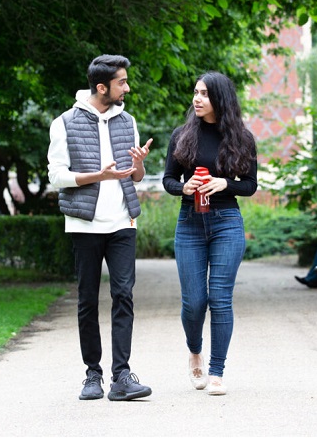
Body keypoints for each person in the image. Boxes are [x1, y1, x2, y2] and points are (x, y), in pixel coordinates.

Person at [47, 54, 153, 401]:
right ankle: (93, 375)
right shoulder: (64, 122)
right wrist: (100, 175)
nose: (128, 87)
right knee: (87, 301)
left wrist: (137, 165)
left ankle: (122, 376)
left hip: (123, 222)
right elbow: (57, 176)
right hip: (84, 223)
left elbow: (135, 177)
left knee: (123, 295)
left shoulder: (128, 121)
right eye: (122, 82)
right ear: (102, 87)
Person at [162, 71, 257, 396]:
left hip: (227, 222)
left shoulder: (241, 138)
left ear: (220, 99)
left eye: (204, 94)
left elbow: (250, 186)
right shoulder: (182, 135)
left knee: (220, 298)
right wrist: (184, 187)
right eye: (195, 92)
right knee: (194, 303)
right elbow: (168, 180)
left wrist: (225, 183)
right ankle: (194, 350)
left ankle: (217, 372)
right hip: (189, 221)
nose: (197, 99)